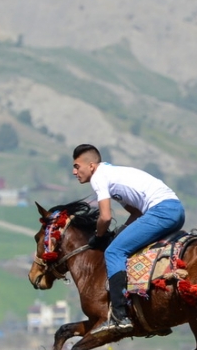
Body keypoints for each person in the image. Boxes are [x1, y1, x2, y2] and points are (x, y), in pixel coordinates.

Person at [71, 143, 185, 337]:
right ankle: (154, 310)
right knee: (133, 249)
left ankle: (119, 314)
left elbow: (105, 217)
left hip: (161, 211)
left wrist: (98, 237)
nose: (74, 171)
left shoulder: (99, 177)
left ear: (91, 166)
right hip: (176, 210)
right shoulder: (111, 174)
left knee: (114, 251)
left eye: (76, 166)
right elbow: (136, 212)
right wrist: (120, 232)